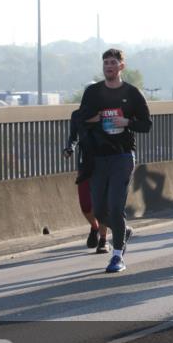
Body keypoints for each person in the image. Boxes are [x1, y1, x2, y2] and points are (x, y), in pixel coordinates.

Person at [78, 49, 152, 273]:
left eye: (113, 62)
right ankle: (123, 230)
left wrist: (126, 121)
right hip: (99, 157)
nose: (108, 66)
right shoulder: (92, 92)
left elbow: (146, 125)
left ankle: (117, 256)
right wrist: (97, 118)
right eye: (105, 63)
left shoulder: (132, 93)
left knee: (115, 205)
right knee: (99, 210)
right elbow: (80, 119)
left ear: (122, 66)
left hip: (122, 156)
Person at [63, 107, 108, 253]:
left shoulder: (105, 113)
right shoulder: (77, 114)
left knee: (101, 205)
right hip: (85, 164)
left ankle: (103, 240)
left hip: (104, 162)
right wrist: (69, 148)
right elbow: (74, 136)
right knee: (86, 206)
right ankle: (94, 227)